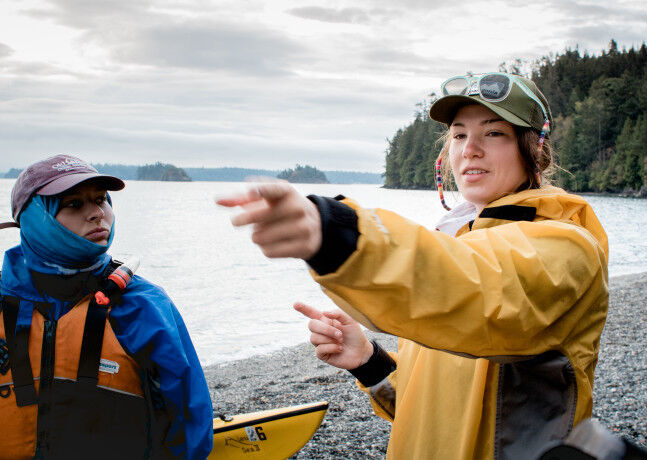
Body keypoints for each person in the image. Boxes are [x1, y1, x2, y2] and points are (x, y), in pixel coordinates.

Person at [217, 73, 609, 459]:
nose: (469, 149)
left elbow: (476, 288)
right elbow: (427, 411)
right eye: (458, 135)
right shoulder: (457, 243)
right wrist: (369, 362)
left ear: (533, 148)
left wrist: (337, 230)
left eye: (493, 133)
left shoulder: (567, 246)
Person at [0, 155, 213, 459]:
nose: (97, 213)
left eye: (101, 199)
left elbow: (189, 424)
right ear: (33, 218)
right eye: (74, 204)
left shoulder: (142, 305)